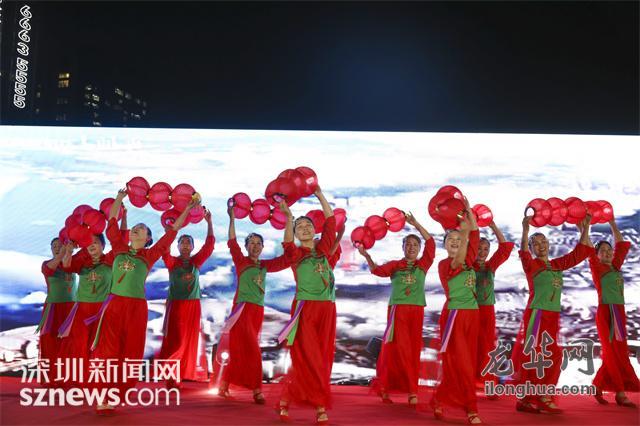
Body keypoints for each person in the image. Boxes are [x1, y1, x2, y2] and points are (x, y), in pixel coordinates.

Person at [90, 188, 197, 414]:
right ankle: (102, 395)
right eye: (134, 227)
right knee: (107, 350)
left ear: (148, 238)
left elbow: (172, 232)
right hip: (114, 305)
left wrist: (187, 208)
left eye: (141, 228)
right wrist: (119, 198)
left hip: (136, 308)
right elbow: (112, 221)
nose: (136, 229)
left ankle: (117, 393)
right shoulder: (119, 247)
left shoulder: (149, 255)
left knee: (130, 352)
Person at [512, 213, 591, 414]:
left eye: (544, 242)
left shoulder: (556, 265)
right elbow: (523, 252)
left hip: (553, 317)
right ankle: (535, 398)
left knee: (552, 355)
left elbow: (580, 253)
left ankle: (536, 397)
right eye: (536, 244)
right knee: (536, 356)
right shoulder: (532, 265)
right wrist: (525, 230)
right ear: (531, 248)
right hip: (537, 315)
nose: (541, 246)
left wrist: (586, 227)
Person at [212, 204, 290, 403]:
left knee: (244, 349)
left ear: (263, 247)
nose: (255, 246)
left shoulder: (265, 265)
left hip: (257, 311)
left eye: (258, 243)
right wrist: (231, 218)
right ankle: (256, 390)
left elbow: (286, 259)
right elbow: (232, 242)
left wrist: (289, 221)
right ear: (246, 247)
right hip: (241, 310)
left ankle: (224, 385)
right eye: (251, 243)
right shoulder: (241, 261)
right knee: (250, 350)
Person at [357, 212, 435, 406]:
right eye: (408, 244)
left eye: (415, 245)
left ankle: (412, 390)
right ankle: (385, 387)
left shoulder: (423, 265)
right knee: (393, 350)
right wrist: (366, 255)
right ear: (403, 247)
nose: (411, 248)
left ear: (419, 249)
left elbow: (431, 243)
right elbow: (376, 270)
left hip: (416, 311)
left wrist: (416, 223)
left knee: (412, 351)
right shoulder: (395, 265)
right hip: (397, 311)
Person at [276, 188, 335, 425]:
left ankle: (287, 398)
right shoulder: (296, 254)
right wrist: (289, 218)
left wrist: (319, 194)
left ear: (314, 230)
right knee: (308, 358)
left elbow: (330, 221)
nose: (304, 228)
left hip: (328, 309)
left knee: (322, 358)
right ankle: (319, 406)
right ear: (296, 234)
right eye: (299, 227)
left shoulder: (323, 250)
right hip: (305, 310)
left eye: (307, 225)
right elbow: (287, 242)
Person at [57, 208, 128, 387]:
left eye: (96, 242)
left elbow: (121, 240)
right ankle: (80, 380)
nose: (92, 245)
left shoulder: (110, 259)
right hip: (82, 310)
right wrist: (68, 250)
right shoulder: (82, 262)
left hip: (102, 311)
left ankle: (99, 380)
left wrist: (124, 217)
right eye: (89, 243)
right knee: (79, 345)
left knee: (100, 346)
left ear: (103, 245)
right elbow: (66, 266)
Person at [431, 199, 483, 424]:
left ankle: (440, 398)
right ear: (444, 245)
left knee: (465, 363)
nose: (455, 241)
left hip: (472, 315)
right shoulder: (445, 265)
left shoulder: (470, 260)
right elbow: (459, 258)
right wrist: (463, 233)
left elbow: (475, 236)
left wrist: (468, 211)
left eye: (457, 239)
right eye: (450, 239)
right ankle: (471, 409)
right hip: (454, 316)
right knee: (459, 363)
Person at [584, 218, 638, 407]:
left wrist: (613, 223)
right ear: (597, 255)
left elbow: (621, 245)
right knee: (612, 352)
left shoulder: (615, 266)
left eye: (609, 250)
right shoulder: (597, 268)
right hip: (607, 313)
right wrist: (584, 227)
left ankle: (598, 385)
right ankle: (620, 393)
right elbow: (588, 248)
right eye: (603, 251)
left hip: (619, 313)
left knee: (618, 352)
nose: (607, 252)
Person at [158, 208, 214, 387]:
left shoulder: (196, 262)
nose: (185, 245)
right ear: (177, 246)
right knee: (177, 341)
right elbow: (164, 250)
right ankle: (170, 373)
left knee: (188, 342)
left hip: (193, 307)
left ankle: (177, 377)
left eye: (188, 243)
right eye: (182, 242)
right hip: (176, 306)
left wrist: (209, 223)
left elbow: (209, 247)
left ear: (192, 247)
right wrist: (169, 233)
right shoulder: (172, 262)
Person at [472, 221, 514, 395]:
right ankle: (470, 381)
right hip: (470, 310)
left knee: (488, 347)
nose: (482, 252)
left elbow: (505, 248)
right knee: (471, 346)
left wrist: (493, 226)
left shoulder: (490, 266)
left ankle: (487, 381)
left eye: (486, 249)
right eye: (479, 248)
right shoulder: (466, 266)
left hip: (487, 311)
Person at [38, 238, 77, 387]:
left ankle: (68, 378)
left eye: (59, 245)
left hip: (70, 308)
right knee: (50, 341)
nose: (56, 247)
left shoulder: (71, 263)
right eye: (53, 246)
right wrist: (61, 254)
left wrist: (69, 251)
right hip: (53, 308)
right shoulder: (47, 265)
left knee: (69, 343)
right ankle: (50, 378)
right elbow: (49, 270)